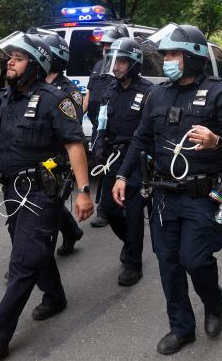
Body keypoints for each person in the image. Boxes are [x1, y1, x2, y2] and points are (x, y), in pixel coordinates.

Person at [0, 31, 94, 359]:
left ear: (36, 64)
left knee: (22, 259)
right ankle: (55, 296)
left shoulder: (53, 99)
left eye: (17, 59)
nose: (10, 64)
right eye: (9, 59)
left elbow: (74, 144)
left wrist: (83, 191)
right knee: (32, 249)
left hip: (41, 190)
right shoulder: (5, 98)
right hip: (11, 187)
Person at [112, 23, 222, 355]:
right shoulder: (157, 94)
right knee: (168, 262)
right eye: (166, 54)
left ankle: (214, 303)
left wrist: (217, 142)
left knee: (196, 260)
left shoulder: (219, 92)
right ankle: (182, 327)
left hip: (201, 194)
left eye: (173, 54)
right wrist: (121, 176)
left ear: (192, 57)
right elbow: (141, 139)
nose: (167, 60)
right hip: (161, 194)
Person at [93, 37, 153, 286]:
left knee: (135, 213)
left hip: (137, 160)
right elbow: (102, 122)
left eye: (121, 61)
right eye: (113, 61)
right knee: (110, 211)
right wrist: (97, 144)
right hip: (113, 159)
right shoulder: (110, 89)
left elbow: (150, 132)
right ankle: (128, 244)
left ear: (135, 63)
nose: (115, 66)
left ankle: (133, 263)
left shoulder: (149, 92)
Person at [38, 32, 85, 257]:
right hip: (33, 154)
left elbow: (71, 133)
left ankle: (34, 258)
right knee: (45, 204)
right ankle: (72, 230)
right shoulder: (34, 83)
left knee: (49, 206)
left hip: (55, 159)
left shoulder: (69, 92)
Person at [84, 24, 129, 228]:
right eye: (103, 45)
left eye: (109, 44)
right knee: (101, 161)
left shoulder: (123, 67)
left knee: (113, 166)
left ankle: (105, 209)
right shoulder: (98, 66)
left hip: (117, 126)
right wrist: (78, 115)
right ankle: (108, 204)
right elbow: (89, 94)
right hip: (98, 124)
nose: (105, 48)